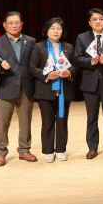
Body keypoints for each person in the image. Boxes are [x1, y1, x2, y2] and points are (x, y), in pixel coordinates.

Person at [73, 8, 103, 159]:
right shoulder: (82, 37)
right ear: (90, 22)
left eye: (101, 19)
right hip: (90, 83)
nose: (98, 22)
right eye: (94, 19)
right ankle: (92, 147)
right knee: (92, 117)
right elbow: (77, 58)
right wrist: (90, 61)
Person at [0, 12, 36, 167]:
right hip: (5, 88)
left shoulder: (31, 41)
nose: (14, 25)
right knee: (2, 123)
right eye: (10, 23)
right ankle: (1, 152)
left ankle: (24, 150)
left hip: (26, 88)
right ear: (4, 25)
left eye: (17, 22)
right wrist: (0, 67)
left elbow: (34, 64)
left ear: (21, 24)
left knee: (25, 122)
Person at [29, 18, 76, 163]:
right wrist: (47, 75)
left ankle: (61, 150)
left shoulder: (68, 47)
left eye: (59, 29)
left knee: (62, 121)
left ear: (63, 31)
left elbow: (75, 66)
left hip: (64, 90)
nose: (56, 31)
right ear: (47, 30)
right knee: (47, 122)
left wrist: (69, 73)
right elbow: (32, 67)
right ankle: (48, 151)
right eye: (53, 28)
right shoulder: (39, 47)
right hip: (45, 90)